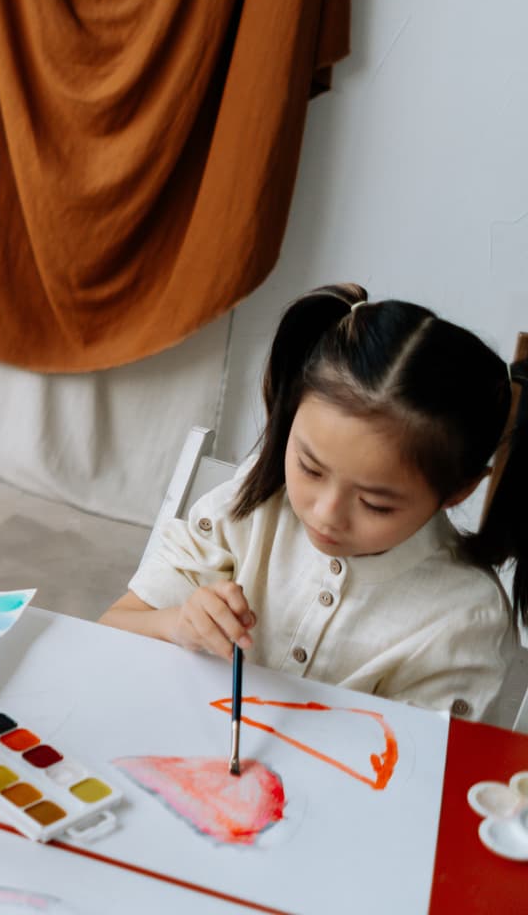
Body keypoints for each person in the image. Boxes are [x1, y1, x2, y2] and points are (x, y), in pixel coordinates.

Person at [101, 284, 527, 718]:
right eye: (310, 468)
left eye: (375, 504)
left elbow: (426, 774)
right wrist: (177, 625)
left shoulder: (466, 619)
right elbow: (108, 630)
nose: (325, 514)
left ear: (460, 490)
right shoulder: (251, 504)